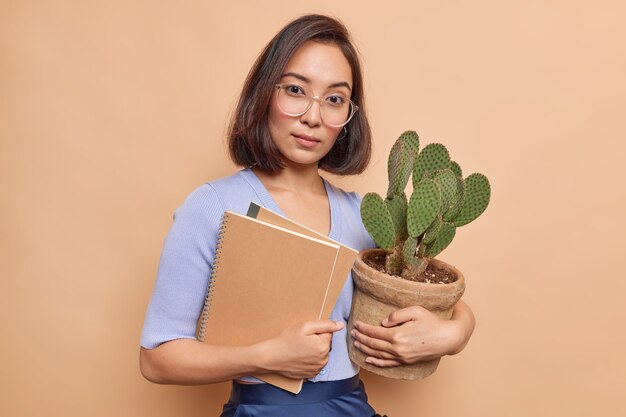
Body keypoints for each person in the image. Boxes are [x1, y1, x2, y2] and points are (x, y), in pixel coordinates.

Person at [139, 14, 475, 417]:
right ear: (264, 93)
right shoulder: (212, 206)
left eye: (334, 99)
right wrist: (266, 356)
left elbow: (436, 294)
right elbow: (156, 359)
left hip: (352, 407)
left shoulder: (364, 216)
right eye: (295, 90)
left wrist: (454, 334)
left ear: (348, 116)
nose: (313, 117)